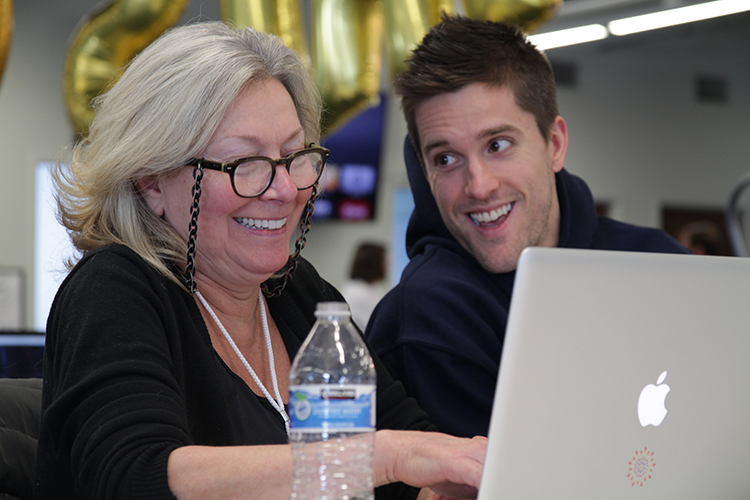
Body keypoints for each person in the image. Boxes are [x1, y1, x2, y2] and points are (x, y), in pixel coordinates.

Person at [34, 21, 486, 500]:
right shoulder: (113, 290)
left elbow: (410, 455)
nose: (286, 189)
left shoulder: (298, 292)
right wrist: (378, 457)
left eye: (294, 156)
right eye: (245, 164)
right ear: (152, 183)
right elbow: (134, 477)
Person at [365, 15, 690, 439]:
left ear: (554, 145)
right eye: (446, 158)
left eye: (497, 145)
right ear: (426, 174)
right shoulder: (427, 320)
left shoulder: (661, 265)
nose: (479, 186)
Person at [340, 242, 389, 330]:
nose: (387, 266)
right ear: (374, 263)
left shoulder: (372, 288)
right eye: (384, 261)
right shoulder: (358, 293)